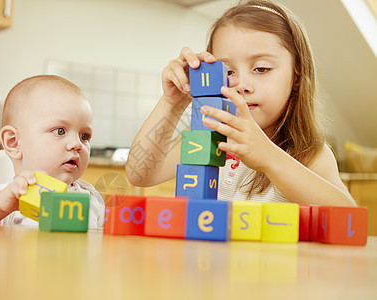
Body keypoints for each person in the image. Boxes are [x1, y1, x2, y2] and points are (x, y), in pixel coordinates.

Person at [126, 0, 356, 206]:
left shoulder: (309, 153)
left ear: (296, 76)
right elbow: (139, 174)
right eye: (227, 71)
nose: (242, 85)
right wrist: (172, 102)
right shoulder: (208, 136)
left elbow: (347, 214)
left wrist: (268, 157)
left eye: (262, 68)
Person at [0, 75, 106, 227]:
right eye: (60, 131)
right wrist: (1, 205)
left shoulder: (91, 198)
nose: (76, 144)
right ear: (13, 142)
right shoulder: (12, 196)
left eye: (84, 136)